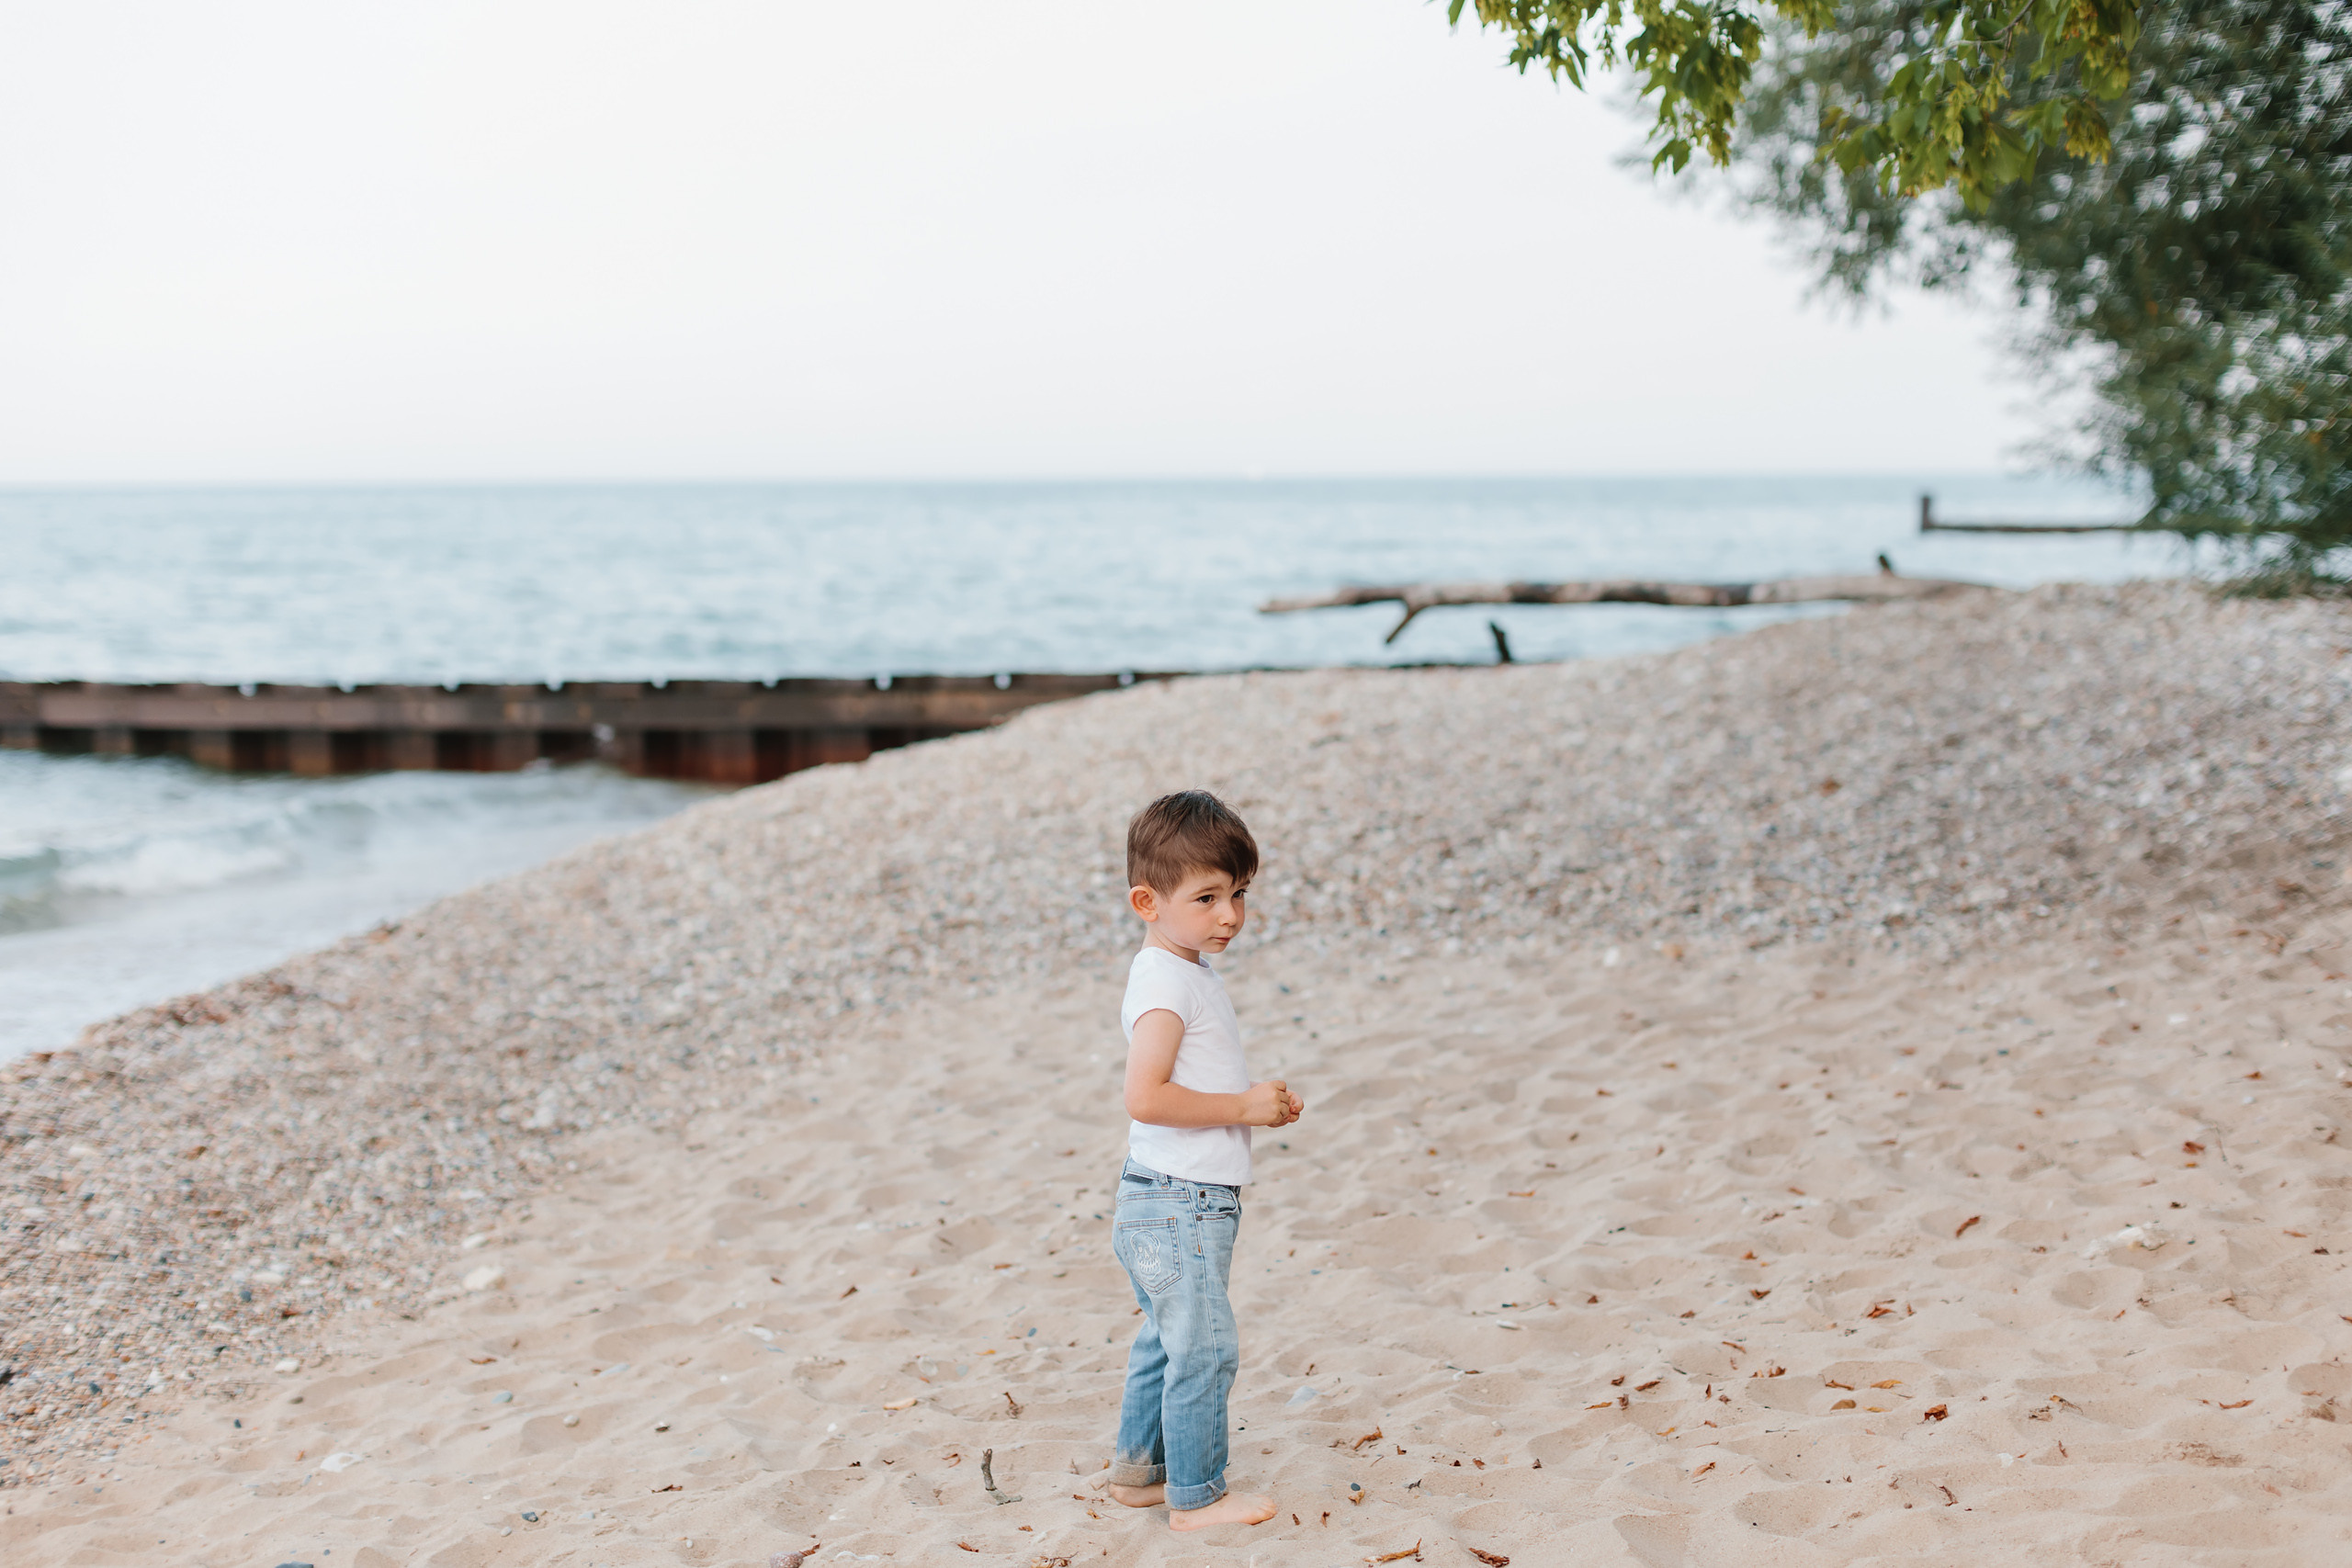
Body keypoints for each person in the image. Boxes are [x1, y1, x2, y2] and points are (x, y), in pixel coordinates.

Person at [1101, 790, 1303, 1533]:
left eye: (1240, 893)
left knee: (1166, 1336)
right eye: (1209, 896)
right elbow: (1146, 1095)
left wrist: (1257, 1103)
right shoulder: (1165, 981)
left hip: (1175, 1192)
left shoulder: (1181, 968)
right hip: (1179, 1199)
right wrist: (1242, 1108)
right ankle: (1198, 1494)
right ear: (1147, 901)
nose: (1231, 915)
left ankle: (1140, 1471)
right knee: (1205, 1347)